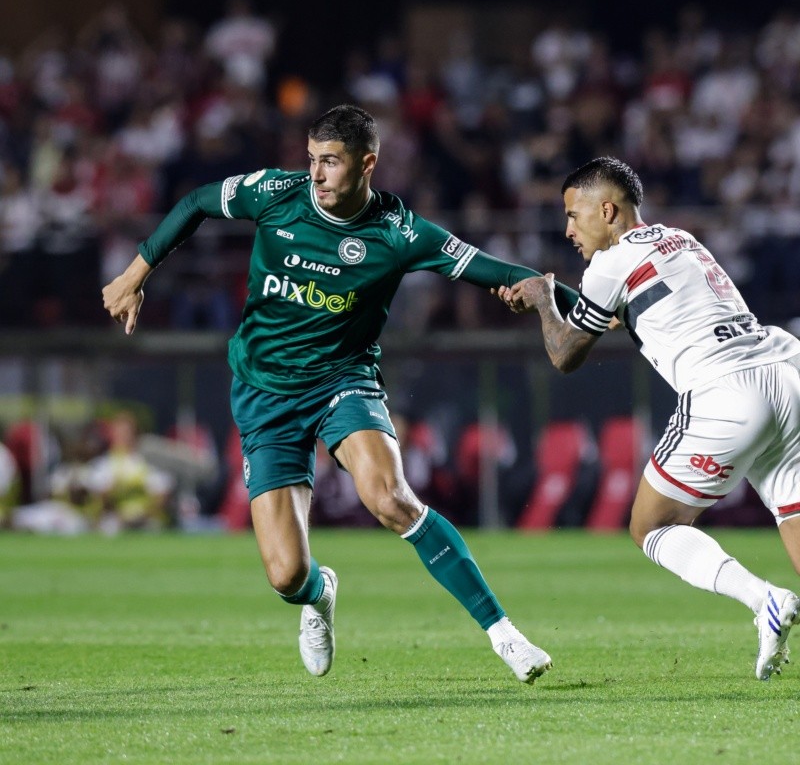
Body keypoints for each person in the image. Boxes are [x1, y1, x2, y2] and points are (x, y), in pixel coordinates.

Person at [102, 104, 579, 683]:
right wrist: (133, 275)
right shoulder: (277, 194)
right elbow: (197, 203)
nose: (317, 174)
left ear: (368, 163)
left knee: (390, 498)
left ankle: (504, 635)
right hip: (263, 393)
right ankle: (319, 595)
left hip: (341, 381)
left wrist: (552, 295)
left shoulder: (398, 233)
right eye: (311, 160)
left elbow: (485, 266)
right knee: (285, 576)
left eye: (330, 161)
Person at [496, 156, 800, 680]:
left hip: (725, 389)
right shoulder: (680, 239)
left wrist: (544, 301)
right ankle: (770, 604)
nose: (568, 229)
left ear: (607, 210)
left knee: (650, 526)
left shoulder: (611, 262)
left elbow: (565, 355)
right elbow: (647, 309)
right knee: (794, 512)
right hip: (785, 369)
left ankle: (763, 599)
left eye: (573, 214)